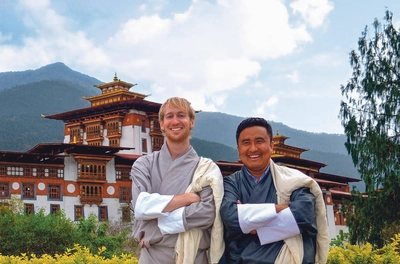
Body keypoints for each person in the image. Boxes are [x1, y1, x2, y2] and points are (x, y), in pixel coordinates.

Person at [219, 117, 329, 264]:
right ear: (239, 148)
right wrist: (282, 209)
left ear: (271, 145)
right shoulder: (230, 184)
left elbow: (303, 215)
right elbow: (231, 217)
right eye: (246, 143)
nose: (253, 148)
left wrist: (249, 224)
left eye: (259, 141)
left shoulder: (293, 180)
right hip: (240, 259)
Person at [131, 97, 224, 264]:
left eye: (181, 115)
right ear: (161, 123)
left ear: (191, 122)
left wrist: (154, 230)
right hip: (152, 258)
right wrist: (187, 199)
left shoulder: (206, 169)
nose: (175, 121)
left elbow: (206, 214)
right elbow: (141, 206)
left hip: (194, 257)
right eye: (169, 116)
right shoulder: (143, 165)